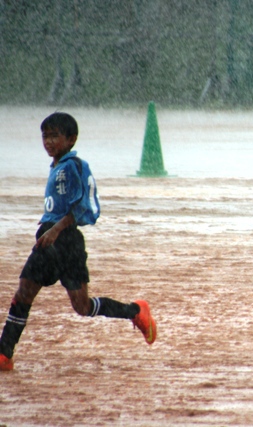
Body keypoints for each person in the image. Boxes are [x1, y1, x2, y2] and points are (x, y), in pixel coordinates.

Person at [0, 112, 157, 372]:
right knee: (43, 298)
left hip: (64, 240)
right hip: (53, 238)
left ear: (71, 139)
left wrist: (55, 231)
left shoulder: (73, 167)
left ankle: (136, 311)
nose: (48, 141)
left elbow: (83, 207)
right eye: (45, 136)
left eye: (54, 136)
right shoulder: (57, 167)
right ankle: (4, 354)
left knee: (63, 302)